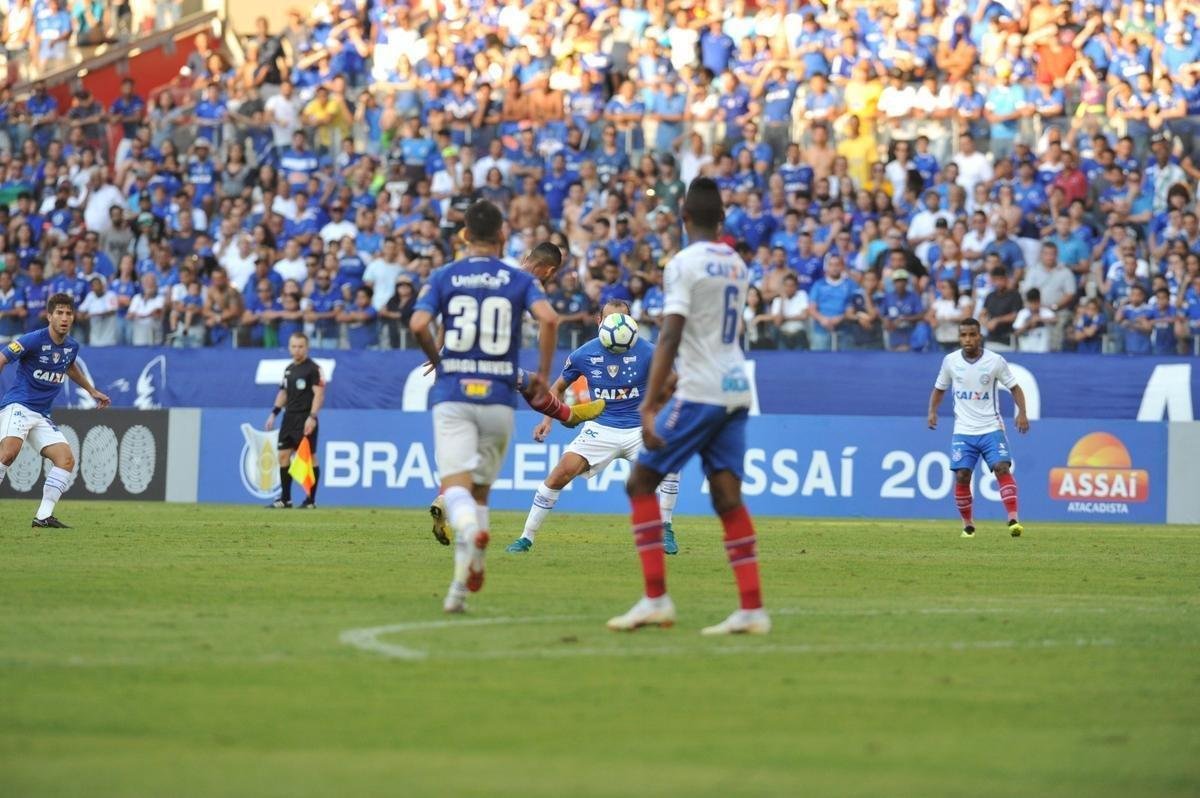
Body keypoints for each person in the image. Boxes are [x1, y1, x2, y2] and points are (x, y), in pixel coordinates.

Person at [607, 178, 768, 636]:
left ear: (683, 218)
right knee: (726, 495)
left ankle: (655, 599)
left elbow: (672, 334)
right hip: (736, 387)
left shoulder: (684, 262)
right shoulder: (735, 263)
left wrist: (651, 403)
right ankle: (752, 608)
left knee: (641, 482)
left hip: (701, 391)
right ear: (721, 220)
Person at [409, 200, 562, 614]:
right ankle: (458, 592)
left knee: (456, 491)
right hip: (497, 398)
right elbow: (550, 321)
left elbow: (419, 324)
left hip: (454, 395)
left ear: (463, 236)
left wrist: (441, 360)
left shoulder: (445, 275)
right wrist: (544, 376)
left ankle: (468, 533)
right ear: (502, 235)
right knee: (480, 494)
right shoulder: (517, 279)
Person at [425, 242, 606, 547]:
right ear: (549, 271)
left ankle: (444, 498)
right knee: (528, 387)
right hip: (492, 369)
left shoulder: (485, 275)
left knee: (461, 450)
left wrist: (438, 350)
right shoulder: (525, 284)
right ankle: (570, 415)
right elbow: (549, 320)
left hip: (455, 366)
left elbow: (445, 313)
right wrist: (547, 368)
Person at [506, 300, 683, 556]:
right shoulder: (584, 354)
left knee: (670, 464)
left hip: (637, 430)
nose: (616, 324)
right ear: (600, 321)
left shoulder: (650, 351)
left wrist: (654, 410)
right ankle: (526, 538)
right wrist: (547, 420)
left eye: (621, 319)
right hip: (601, 428)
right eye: (610, 318)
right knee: (559, 474)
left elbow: (674, 382)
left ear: (630, 323)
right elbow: (556, 389)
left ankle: (665, 527)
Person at [0, 293, 112, 527]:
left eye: (68, 313)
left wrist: (92, 391)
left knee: (66, 460)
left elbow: (69, 367)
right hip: (19, 405)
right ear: (49, 316)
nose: (64, 318)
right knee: (8, 454)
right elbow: (2, 358)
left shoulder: (72, 346)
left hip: (41, 415)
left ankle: (42, 517)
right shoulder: (31, 340)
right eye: (59, 313)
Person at [927, 318, 1030, 539]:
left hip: (991, 427)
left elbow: (1015, 387)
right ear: (959, 337)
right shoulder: (950, 361)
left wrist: (1021, 412)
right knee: (963, 475)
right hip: (963, 431)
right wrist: (932, 412)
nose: (968, 339)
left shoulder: (995, 361)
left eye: (972, 335)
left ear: (979, 335)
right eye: (963, 335)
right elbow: (939, 389)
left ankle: (1013, 519)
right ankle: (968, 525)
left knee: (1002, 468)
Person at [263, 331, 325, 509]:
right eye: (293, 346)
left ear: (307, 348)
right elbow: (283, 393)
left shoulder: (313, 369)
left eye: (300, 346)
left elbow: (319, 394)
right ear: (289, 347)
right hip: (289, 417)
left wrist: (312, 417)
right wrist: (274, 413)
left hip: (305, 418)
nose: (296, 350)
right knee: (283, 455)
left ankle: (311, 500)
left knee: (309, 457)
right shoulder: (289, 369)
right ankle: (285, 499)